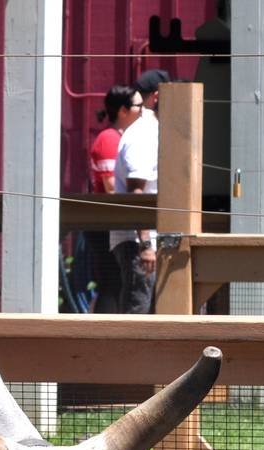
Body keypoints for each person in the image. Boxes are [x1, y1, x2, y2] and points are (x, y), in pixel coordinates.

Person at [109, 71, 166, 313]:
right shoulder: (144, 134)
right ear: (157, 97)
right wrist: (146, 245)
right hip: (138, 241)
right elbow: (136, 191)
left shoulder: (150, 130)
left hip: (148, 238)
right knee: (137, 313)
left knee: (145, 311)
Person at [87, 85, 141, 312]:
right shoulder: (109, 139)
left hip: (115, 226)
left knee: (117, 284)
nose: (143, 111)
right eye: (139, 106)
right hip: (106, 226)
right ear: (123, 111)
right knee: (112, 284)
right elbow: (111, 189)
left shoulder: (122, 138)